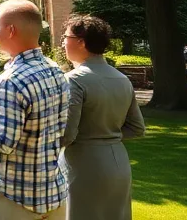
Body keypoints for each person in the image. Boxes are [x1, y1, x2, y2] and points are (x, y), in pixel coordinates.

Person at [0, 0, 69, 220]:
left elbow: (3, 142)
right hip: (52, 194)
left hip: (14, 199)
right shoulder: (55, 70)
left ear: (11, 30)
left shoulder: (11, 81)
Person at [59, 15, 145, 220]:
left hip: (84, 164)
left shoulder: (74, 80)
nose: (62, 42)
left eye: (66, 37)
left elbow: (68, 134)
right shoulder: (122, 79)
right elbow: (137, 128)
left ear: (81, 41)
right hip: (119, 163)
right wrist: (107, 136)